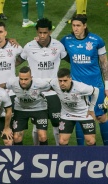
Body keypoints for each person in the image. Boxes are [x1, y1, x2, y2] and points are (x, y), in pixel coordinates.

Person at [16, 18, 67, 145]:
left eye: (45, 33)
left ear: (50, 32)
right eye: (40, 33)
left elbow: (71, 61)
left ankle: (59, 151)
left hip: (53, 92)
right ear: (37, 32)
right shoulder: (29, 46)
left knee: (57, 123)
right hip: (36, 93)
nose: (42, 36)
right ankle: (36, 151)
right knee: (37, 126)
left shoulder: (58, 46)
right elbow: (17, 61)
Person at [61, 14, 108, 145]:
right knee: (80, 117)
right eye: (73, 25)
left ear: (84, 26)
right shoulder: (66, 40)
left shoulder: (97, 40)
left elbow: (104, 64)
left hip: (96, 86)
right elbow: (55, 49)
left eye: (78, 26)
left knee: (101, 116)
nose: (75, 28)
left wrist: (107, 86)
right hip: (78, 89)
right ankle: (81, 151)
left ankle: (106, 148)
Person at [2, 66, 51, 145]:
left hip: (39, 108)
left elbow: (53, 86)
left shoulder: (40, 83)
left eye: (26, 79)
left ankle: (43, 155)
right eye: (21, 79)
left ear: (31, 78)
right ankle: (20, 156)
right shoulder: (13, 82)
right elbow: (3, 86)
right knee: (17, 137)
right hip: (20, 108)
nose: (23, 82)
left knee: (42, 136)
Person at [49, 68, 99, 146]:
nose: (62, 83)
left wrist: (91, 109)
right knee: (62, 141)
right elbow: (44, 84)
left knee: (91, 141)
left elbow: (96, 91)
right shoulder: (54, 83)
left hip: (84, 114)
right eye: (60, 80)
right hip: (67, 114)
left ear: (70, 79)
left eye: (65, 81)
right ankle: (64, 157)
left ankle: (92, 157)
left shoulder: (80, 87)